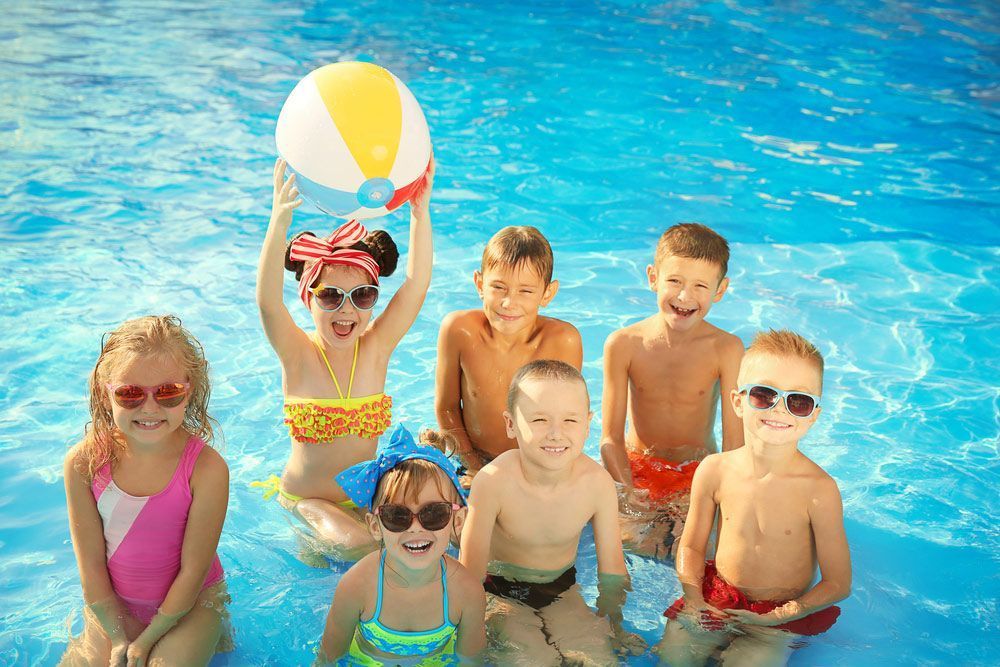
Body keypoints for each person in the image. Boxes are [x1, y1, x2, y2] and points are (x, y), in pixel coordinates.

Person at [254, 156, 433, 558]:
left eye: (362, 296)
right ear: (309, 301)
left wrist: (420, 212)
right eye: (331, 296)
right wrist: (278, 221)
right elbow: (267, 302)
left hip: (364, 500)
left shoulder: (376, 349)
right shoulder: (298, 354)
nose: (346, 311)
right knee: (359, 545)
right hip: (308, 502)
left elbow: (417, 284)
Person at [658, 329, 851, 666]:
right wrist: (694, 600)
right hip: (716, 597)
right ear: (737, 401)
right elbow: (691, 547)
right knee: (674, 657)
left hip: (778, 617)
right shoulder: (714, 470)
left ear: (814, 415)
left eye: (799, 401)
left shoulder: (819, 490)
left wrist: (784, 614)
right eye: (764, 394)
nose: (780, 410)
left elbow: (838, 582)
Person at [61, 315, 230, 666]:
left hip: (192, 604)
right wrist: (119, 635)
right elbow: (90, 568)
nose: (149, 408)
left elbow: (193, 571)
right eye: (130, 394)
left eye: (168, 393)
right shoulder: (84, 463)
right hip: (114, 607)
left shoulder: (206, 469)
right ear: (105, 394)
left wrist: (148, 639)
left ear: (190, 390)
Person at [459, 360, 639, 665]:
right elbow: (469, 573)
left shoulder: (597, 484)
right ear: (511, 424)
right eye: (539, 419)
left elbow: (611, 571)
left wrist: (613, 623)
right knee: (532, 659)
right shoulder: (493, 482)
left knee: (600, 659)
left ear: (588, 422)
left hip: (561, 590)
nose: (556, 434)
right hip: (501, 593)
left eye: (570, 420)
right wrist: (473, 627)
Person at [600, 222, 744, 558]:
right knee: (628, 543)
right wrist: (626, 489)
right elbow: (610, 438)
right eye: (674, 281)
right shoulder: (623, 344)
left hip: (696, 472)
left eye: (700, 286)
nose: (684, 296)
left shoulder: (726, 348)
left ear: (720, 291)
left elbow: (735, 445)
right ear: (652, 278)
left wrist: (718, 493)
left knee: (698, 550)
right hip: (636, 469)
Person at [317, 424, 486, 665]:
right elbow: (328, 660)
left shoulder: (466, 592)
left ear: (457, 520)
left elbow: (472, 662)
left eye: (434, 514)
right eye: (397, 516)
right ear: (376, 526)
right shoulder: (357, 586)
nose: (416, 527)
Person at [435, 226, 582, 482]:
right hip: (473, 460)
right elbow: (446, 408)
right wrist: (473, 467)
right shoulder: (460, 331)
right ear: (480, 284)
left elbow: (568, 420)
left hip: (537, 464)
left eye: (525, 291)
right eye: (499, 287)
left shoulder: (562, 341)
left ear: (547, 293)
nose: (508, 302)